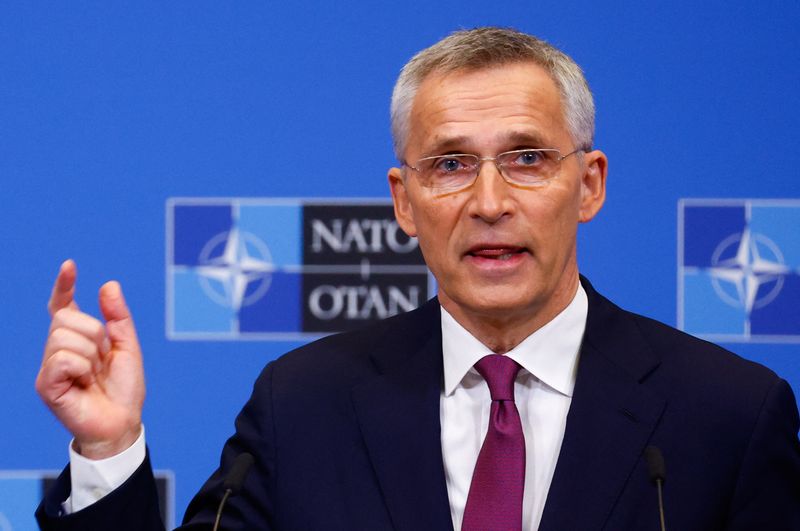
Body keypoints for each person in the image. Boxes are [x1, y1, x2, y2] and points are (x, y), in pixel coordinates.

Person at [35, 27, 800, 531]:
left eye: (528, 158)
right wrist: (110, 448)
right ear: (404, 200)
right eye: (451, 164)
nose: (490, 201)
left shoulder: (726, 413)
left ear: (590, 184)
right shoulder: (303, 404)